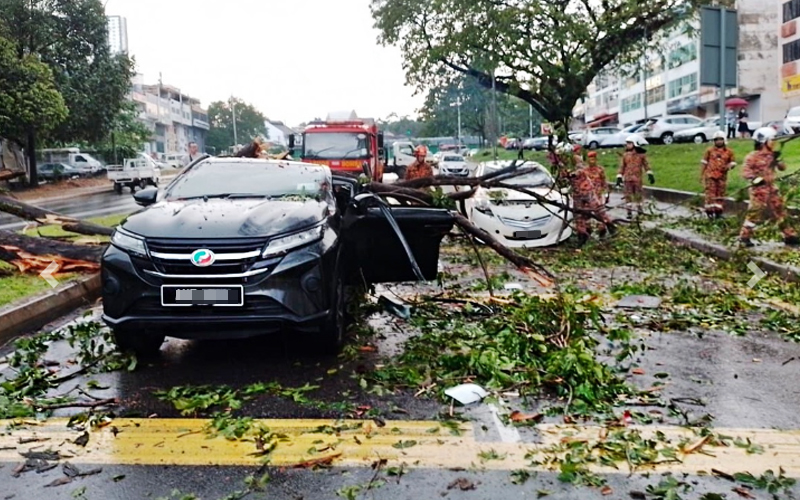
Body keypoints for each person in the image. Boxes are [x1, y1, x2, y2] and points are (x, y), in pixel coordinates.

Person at [738, 127, 799, 247]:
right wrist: (756, 180)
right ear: (763, 141)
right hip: (758, 191)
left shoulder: (772, 155)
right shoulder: (752, 156)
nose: (774, 143)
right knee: (755, 213)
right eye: (772, 140)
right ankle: (744, 237)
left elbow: (782, 168)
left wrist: (778, 159)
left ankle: (789, 235)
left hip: (772, 188)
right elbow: (745, 172)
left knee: (780, 210)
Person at [560, 145, 612, 245]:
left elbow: (581, 169)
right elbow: (562, 176)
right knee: (579, 215)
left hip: (587, 190)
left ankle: (609, 227)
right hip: (576, 193)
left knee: (598, 210)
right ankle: (582, 235)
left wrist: (573, 173)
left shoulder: (576, 159)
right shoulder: (563, 163)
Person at [616, 135, 654, 219]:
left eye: (629, 143)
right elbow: (622, 166)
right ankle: (629, 211)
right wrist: (619, 176)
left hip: (637, 179)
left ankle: (639, 210)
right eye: (627, 143)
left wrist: (649, 173)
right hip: (627, 179)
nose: (627, 145)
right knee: (628, 195)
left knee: (638, 194)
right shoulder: (625, 155)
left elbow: (646, 165)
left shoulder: (641, 155)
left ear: (635, 143)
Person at [701, 131, 736, 219]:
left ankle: (718, 212)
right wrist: (701, 175)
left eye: (721, 139)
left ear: (724, 140)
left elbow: (733, 163)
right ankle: (709, 212)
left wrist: (729, 166)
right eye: (716, 140)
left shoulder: (729, 152)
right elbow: (704, 163)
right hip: (710, 176)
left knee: (720, 194)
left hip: (722, 177)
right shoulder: (709, 151)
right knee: (710, 194)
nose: (719, 141)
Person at [585, 151, 614, 236]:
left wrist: (607, 194)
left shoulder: (600, 170)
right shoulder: (584, 171)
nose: (592, 161)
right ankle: (587, 231)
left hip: (597, 196)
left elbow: (604, 182)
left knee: (601, 214)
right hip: (587, 196)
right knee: (586, 214)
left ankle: (605, 229)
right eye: (590, 159)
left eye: (593, 159)